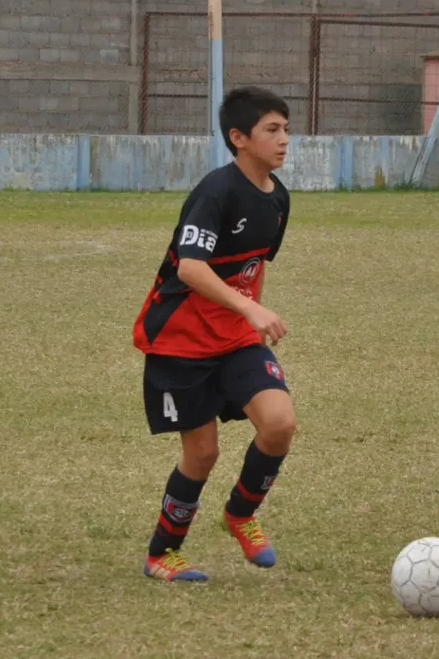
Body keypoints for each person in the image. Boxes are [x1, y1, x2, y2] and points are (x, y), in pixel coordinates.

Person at [133, 86, 296, 582]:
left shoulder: (278, 198)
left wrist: (250, 321)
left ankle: (240, 514)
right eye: (272, 130)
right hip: (180, 341)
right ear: (239, 138)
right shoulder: (216, 192)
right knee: (202, 454)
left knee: (279, 423)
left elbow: (252, 266)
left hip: (236, 339)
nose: (284, 139)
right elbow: (190, 268)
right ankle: (162, 554)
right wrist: (250, 309)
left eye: (286, 129)